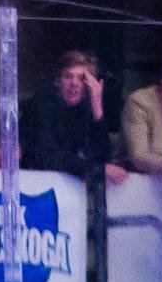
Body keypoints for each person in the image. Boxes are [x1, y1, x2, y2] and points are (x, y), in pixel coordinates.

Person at [23, 50, 127, 185]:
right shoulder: (42, 104)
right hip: (36, 184)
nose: (74, 83)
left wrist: (97, 103)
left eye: (82, 78)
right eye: (68, 76)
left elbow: (103, 156)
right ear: (57, 81)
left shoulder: (87, 108)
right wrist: (95, 168)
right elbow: (47, 155)